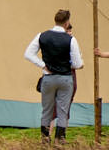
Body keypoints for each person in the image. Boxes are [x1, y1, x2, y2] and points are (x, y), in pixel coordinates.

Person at [24, 8, 84, 142]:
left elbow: (28, 54)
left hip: (48, 77)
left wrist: (43, 65)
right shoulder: (71, 40)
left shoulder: (42, 36)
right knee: (63, 111)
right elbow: (77, 63)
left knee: (47, 110)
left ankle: (45, 140)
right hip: (65, 78)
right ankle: (59, 141)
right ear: (67, 22)